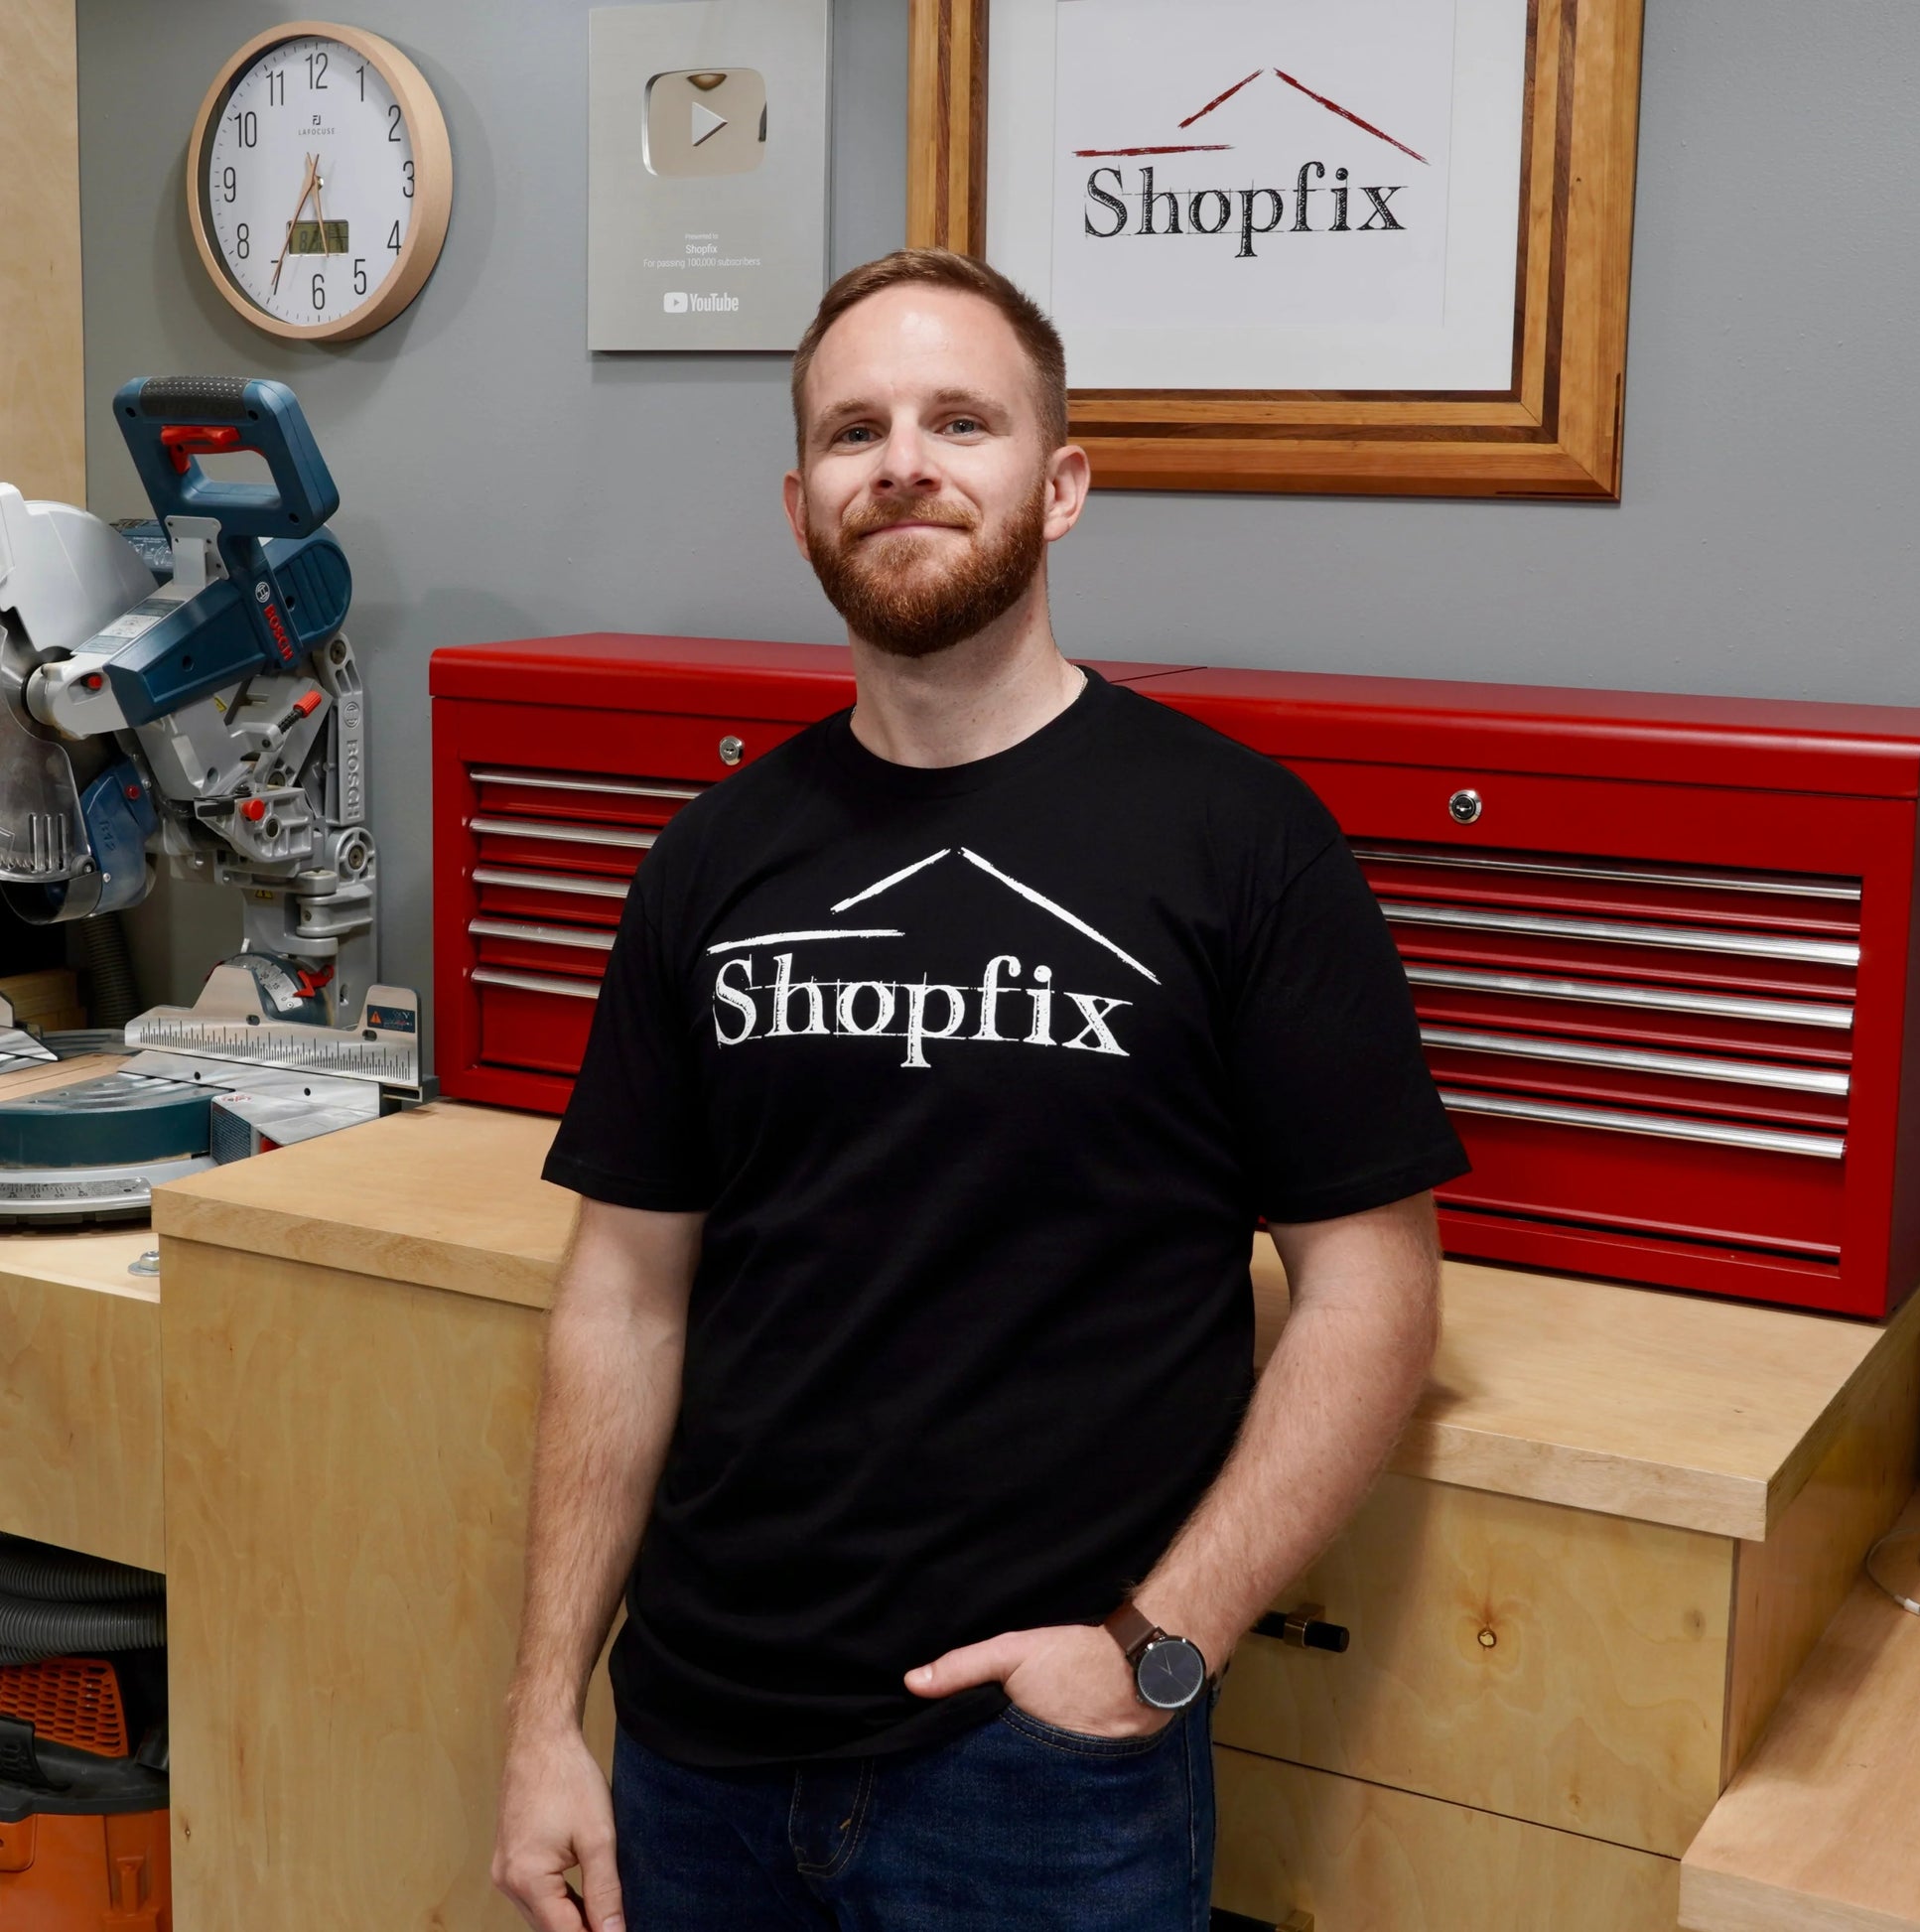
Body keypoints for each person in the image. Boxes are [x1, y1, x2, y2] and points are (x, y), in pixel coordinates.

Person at [491, 248, 1467, 1932]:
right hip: (693, 1745)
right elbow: (626, 1297)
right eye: (856, 431)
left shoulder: (1237, 841)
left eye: (962, 419)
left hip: (1033, 1777)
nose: (905, 464)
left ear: (1060, 484)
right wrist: (539, 1721)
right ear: (802, 505)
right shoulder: (711, 860)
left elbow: (1373, 1292)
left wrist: (1153, 1651)